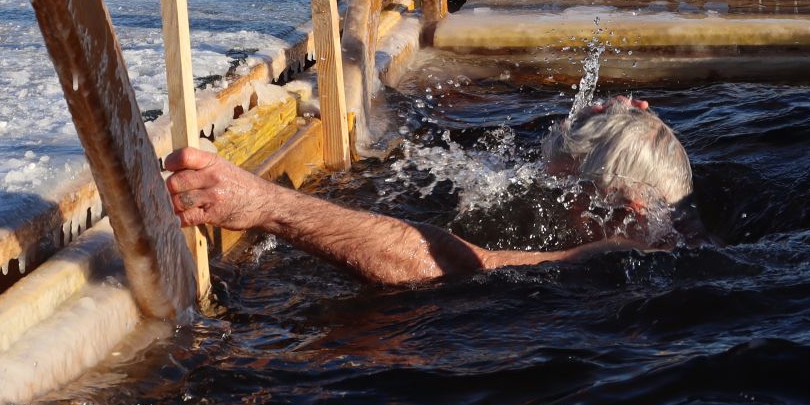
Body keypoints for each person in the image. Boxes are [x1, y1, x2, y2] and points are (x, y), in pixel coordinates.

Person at [161, 95, 695, 287]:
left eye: (565, 187)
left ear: (627, 206)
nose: (545, 195)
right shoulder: (673, 234)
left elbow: (458, 265)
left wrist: (269, 206)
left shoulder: (622, 253)